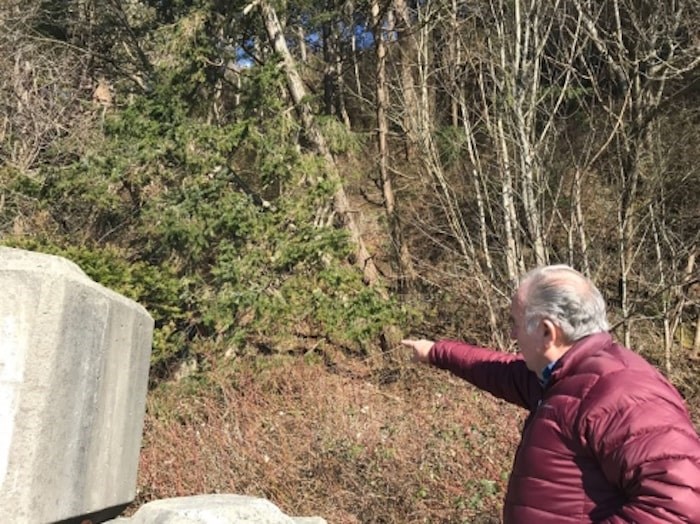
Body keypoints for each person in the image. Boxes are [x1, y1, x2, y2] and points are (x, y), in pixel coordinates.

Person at [402, 265, 700, 523]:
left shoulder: (621, 390)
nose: (511, 335)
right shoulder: (566, 378)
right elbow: (501, 372)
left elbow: (680, 506)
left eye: (515, 324)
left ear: (547, 331)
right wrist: (436, 352)